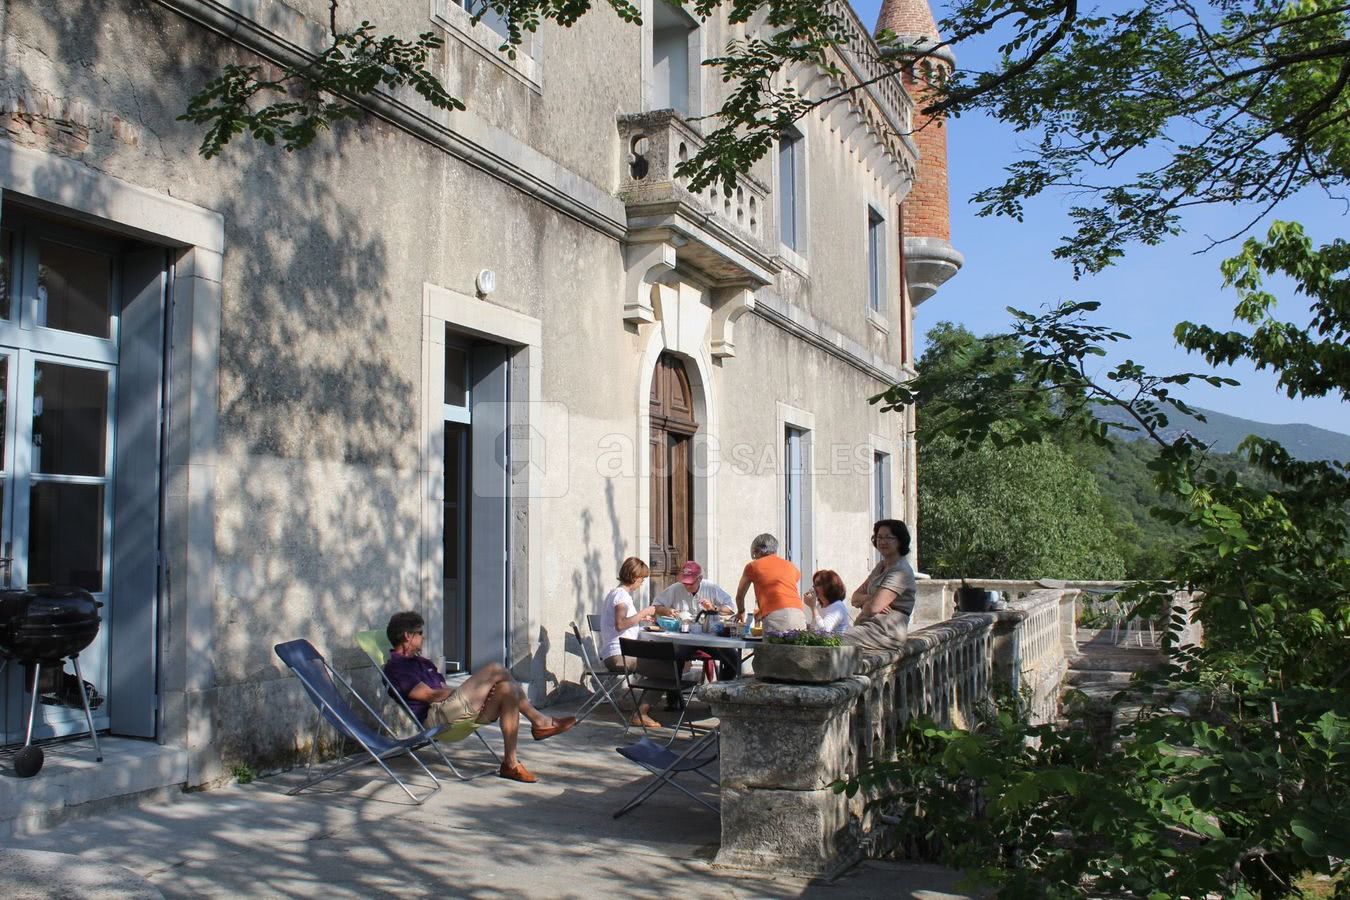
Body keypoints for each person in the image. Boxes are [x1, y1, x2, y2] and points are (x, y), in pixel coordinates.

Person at [383, 611, 575, 784]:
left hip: (453, 711)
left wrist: (475, 693)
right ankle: (539, 721)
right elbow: (429, 695)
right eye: (420, 633)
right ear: (407, 636)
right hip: (436, 718)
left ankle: (510, 763)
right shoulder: (396, 667)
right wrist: (474, 692)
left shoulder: (422, 662)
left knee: (507, 689)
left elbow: (442, 688)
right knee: (496, 669)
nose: (423, 637)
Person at [599, 556, 663, 729]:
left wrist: (640, 620)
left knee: (661, 665)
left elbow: (624, 623)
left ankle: (638, 704)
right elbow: (620, 624)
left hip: (616, 653)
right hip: (618, 655)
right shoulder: (621, 596)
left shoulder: (617, 593)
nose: (642, 583)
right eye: (642, 579)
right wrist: (643, 613)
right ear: (635, 577)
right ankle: (641, 713)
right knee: (667, 670)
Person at [655, 560, 741, 680]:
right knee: (675, 656)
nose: (687, 586)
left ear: (700, 579)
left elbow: (731, 608)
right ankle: (675, 696)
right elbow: (656, 607)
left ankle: (721, 691)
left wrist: (714, 608)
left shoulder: (710, 587)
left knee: (733, 658)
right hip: (684, 639)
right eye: (685, 583)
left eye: (690, 583)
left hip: (709, 638)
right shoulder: (676, 588)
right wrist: (667, 611)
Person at [843, 519, 917, 653]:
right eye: (879, 537)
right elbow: (854, 598)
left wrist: (869, 603)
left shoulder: (901, 571)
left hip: (886, 632)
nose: (882, 542)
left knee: (832, 642)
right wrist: (871, 599)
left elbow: (871, 609)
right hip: (869, 629)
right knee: (824, 640)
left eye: (889, 537)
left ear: (900, 540)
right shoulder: (881, 567)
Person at [734, 533, 807, 632]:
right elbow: (783, 593)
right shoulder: (791, 566)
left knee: (771, 647)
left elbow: (740, 595)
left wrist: (741, 611)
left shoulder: (752, 566)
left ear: (756, 551)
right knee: (796, 647)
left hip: (776, 617)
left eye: (754, 555)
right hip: (799, 614)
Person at [804, 569, 851, 634]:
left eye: (817, 584)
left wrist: (813, 607)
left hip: (839, 643)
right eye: (814, 584)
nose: (813, 588)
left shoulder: (837, 606)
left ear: (829, 586)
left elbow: (824, 631)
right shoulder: (820, 606)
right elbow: (815, 629)